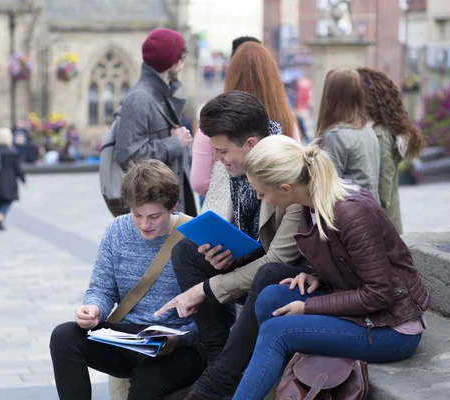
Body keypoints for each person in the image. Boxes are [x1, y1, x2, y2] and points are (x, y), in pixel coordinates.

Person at [231, 135, 430, 400]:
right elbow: (347, 265)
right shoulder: (311, 201)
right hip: (365, 308)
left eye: (262, 192)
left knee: (277, 331)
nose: (259, 198)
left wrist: (307, 307)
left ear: (286, 187)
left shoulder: (351, 213)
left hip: (393, 327)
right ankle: (290, 390)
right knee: (270, 297)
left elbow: (380, 293)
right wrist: (318, 276)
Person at [157, 91, 310, 400]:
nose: (216, 158)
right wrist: (222, 254)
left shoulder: (289, 171)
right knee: (187, 250)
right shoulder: (237, 167)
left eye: (222, 151)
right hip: (260, 257)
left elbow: (278, 259)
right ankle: (217, 358)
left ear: (251, 144)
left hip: (294, 274)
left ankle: (220, 379)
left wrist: (204, 289)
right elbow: (244, 237)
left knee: (265, 275)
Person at [50, 159, 206, 400]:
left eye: (154, 216)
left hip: (179, 344)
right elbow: (101, 289)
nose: (144, 225)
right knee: (64, 336)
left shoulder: (195, 237)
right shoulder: (118, 230)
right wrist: (93, 309)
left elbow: (216, 315)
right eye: (137, 214)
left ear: (173, 206)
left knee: (148, 380)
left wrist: (179, 339)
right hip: (130, 339)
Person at [191, 41, 301, 218]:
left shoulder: (216, 123)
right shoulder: (288, 119)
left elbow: (198, 182)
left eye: (221, 151)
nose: (217, 158)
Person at [115, 28, 196, 216]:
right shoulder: (140, 98)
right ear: (173, 62)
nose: (183, 65)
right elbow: (128, 155)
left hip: (165, 205)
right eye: (181, 58)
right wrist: (175, 142)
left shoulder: (158, 94)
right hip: (153, 212)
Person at [357, 67, 424, 234]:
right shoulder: (386, 129)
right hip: (388, 222)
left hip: (381, 227)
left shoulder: (380, 134)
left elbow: (384, 183)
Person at [316, 68, 381, 202]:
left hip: (349, 215)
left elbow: (328, 191)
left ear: (330, 96)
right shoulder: (368, 131)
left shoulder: (336, 136)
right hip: (370, 211)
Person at [0, 128, 26, 231]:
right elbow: (17, 168)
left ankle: (0, 219)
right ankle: (1, 215)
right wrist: (23, 179)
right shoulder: (12, 151)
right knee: (8, 200)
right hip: (9, 181)